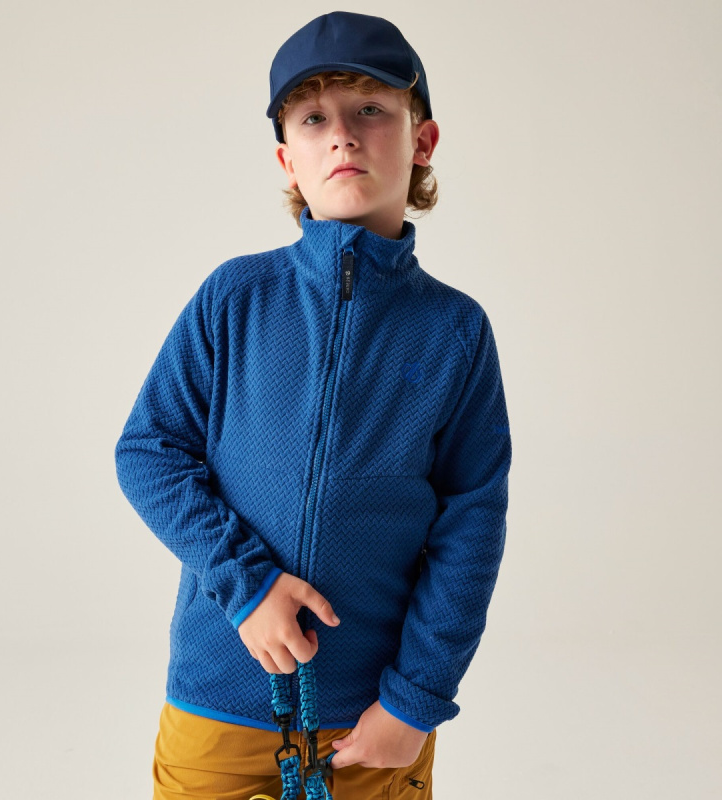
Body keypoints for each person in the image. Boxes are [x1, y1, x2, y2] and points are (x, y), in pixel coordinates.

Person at [114, 11, 512, 800]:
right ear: (286, 158)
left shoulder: (456, 331)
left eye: (371, 109)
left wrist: (416, 699)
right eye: (313, 119)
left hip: (372, 722)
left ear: (423, 139)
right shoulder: (235, 297)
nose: (344, 137)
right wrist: (248, 586)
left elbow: (472, 525)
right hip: (217, 700)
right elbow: (149, 451)